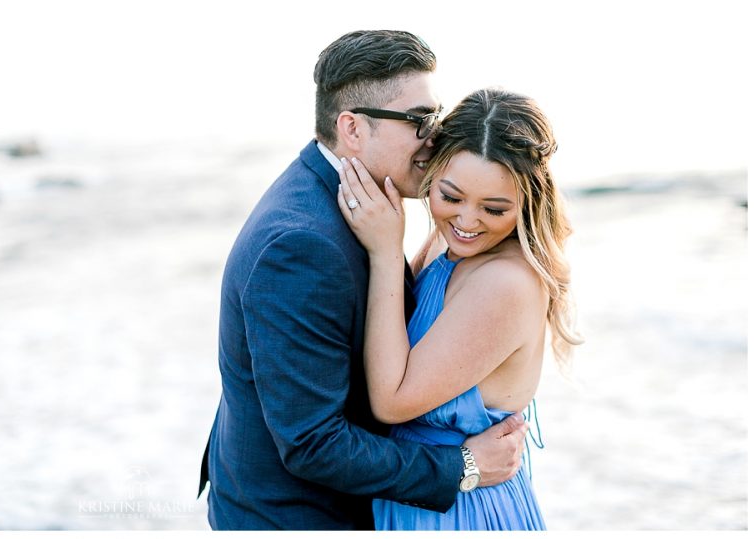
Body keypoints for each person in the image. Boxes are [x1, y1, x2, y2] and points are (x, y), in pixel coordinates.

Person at [197, 31, 530, 530]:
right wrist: (462, 466)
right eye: (420, 121)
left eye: (435, 119)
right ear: (352, 129)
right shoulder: (303, 244)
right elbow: (312, 443)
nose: (435, 137)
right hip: (298, 517)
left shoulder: (357, 202)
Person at [336, 87, 583, 530]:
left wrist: (386, 253)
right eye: (451, 197)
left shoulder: (505, 283)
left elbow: (392, 402)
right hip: (421, 490)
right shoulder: (443, 247)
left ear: (528, 202)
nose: (467, 222)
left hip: (463, 509)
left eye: (494, 208)